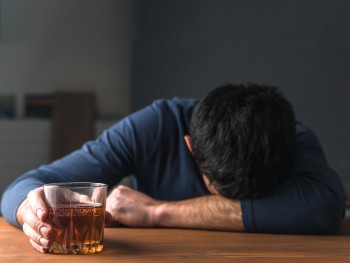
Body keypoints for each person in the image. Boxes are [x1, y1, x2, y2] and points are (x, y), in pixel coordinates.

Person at [0, 83, 345, 253]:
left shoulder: (292, 137)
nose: (231, 200)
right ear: (190, 146)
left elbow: (325, 206)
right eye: (218, 188)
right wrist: (30, 207)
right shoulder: (154, 126)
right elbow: (26, 185)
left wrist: (157, 212)